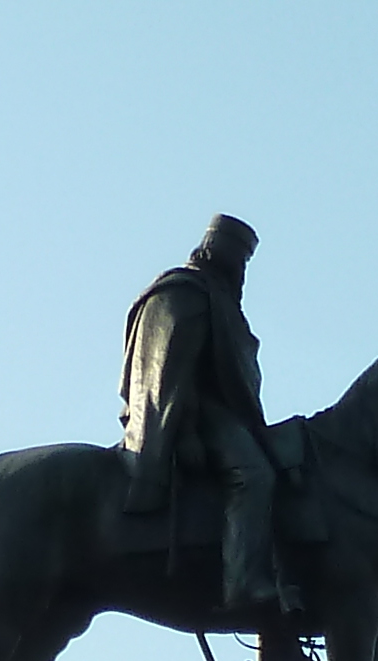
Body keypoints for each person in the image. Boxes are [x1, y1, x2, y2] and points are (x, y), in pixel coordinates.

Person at [119, 213, 288, 620]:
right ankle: (243, 583)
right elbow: (167, 372)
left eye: (244, 262)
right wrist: (185, 432)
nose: (240, 269)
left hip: (221, 416)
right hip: (191, 415)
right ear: (215, 250)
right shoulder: (184, 292)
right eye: (237, 259)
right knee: (254, 476)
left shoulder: (217, 298)